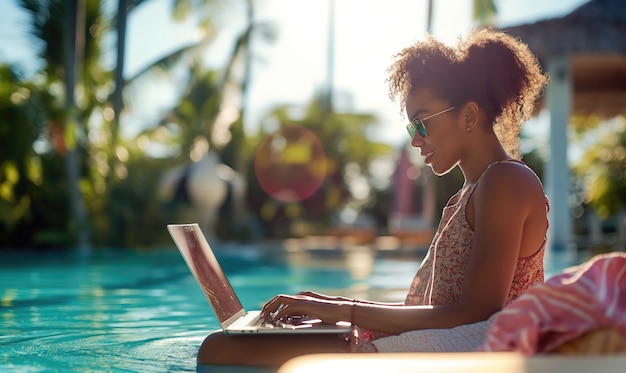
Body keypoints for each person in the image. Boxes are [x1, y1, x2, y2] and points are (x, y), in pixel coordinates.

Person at [196, 27, 550, 367]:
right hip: (445, 345)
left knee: (220, 351)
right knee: (229, 346)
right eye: (412, 127)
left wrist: (344, 311)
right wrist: (335, 307)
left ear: (469, 115)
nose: (415, 140)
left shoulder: (506, 180)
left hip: (477, 354)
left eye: (422, 123)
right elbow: (439, 311)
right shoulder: (465, 197)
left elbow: (478, 313)